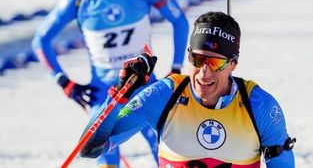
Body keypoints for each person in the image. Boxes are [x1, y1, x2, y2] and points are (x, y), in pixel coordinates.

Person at [32, 0, 189, 167]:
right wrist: (64, 82)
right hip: (106, 94)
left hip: (146, 88)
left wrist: (176, 67)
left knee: (167, 154)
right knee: (103, 154)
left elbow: (179, 20)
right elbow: (40, 41)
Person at [80, 11, 296, 167]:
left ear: (233, 64)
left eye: (214, 63)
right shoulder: (164, 95)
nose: (204, 72)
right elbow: (90, 148)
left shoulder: (259, 106)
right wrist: (119, 95)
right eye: (197, 59)